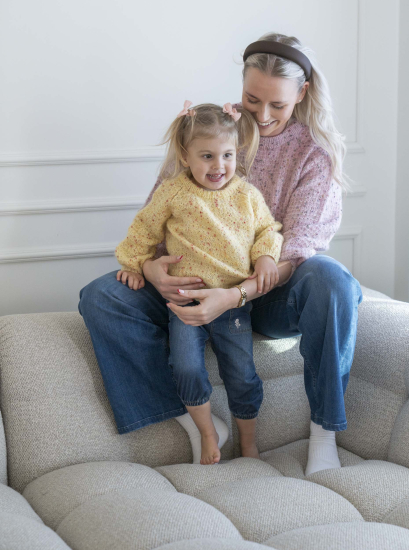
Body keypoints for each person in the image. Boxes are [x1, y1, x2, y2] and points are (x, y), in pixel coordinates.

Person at [78, 32, 363, 477]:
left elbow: (295, 248)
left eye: (277, 105)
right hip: (190, 282)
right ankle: (194, 424)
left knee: (333, 280)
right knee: (100, 297)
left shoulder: (314, 154)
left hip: (268, 291)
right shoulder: (207, 130)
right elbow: (155, 217)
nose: (262, 116)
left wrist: (234, 296)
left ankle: (324, 434)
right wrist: (151, 269)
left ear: (301, 93)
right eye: (252, 99)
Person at [114, 101, 284, 464]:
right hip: (184, 303)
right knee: (186, 368)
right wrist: (135, 264)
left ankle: (249, 443)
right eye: (207, 156)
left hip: (231, 303)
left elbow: (268, 230)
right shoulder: (173, 192)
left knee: (242, 375)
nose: (218, 166)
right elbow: (143, 229)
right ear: (185, 155)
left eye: (227, 155)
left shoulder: (247, 196)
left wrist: (266, 256)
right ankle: (208, 433)